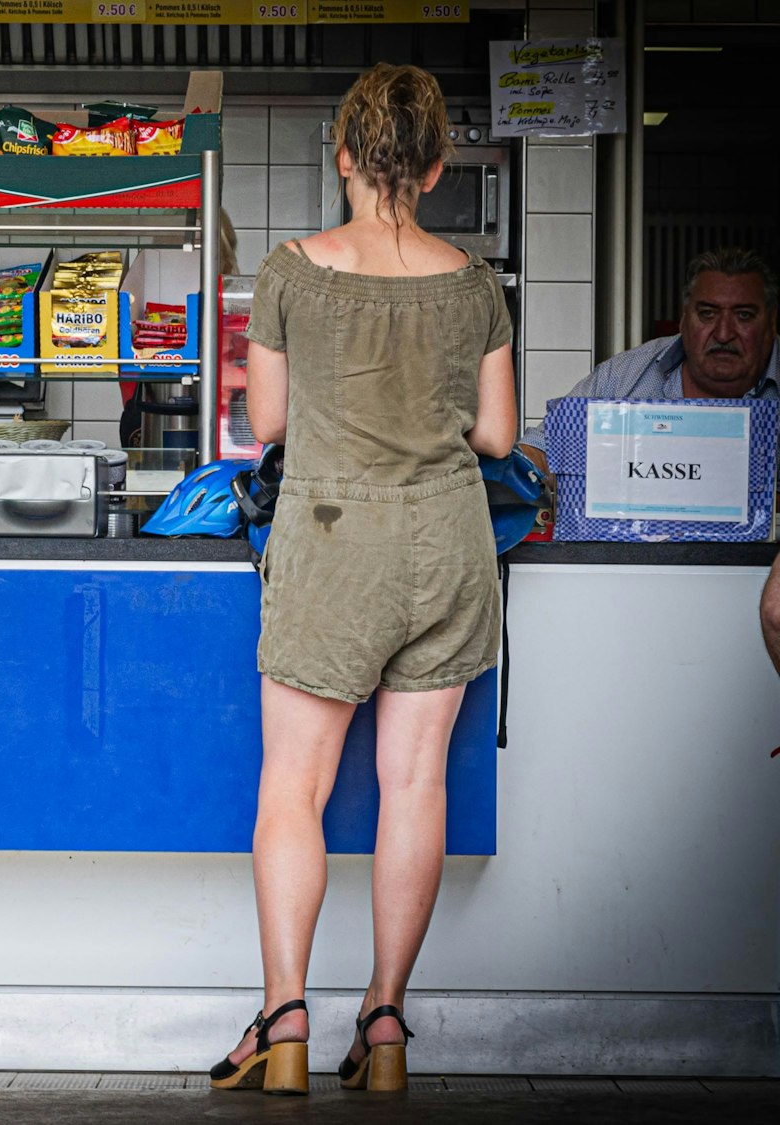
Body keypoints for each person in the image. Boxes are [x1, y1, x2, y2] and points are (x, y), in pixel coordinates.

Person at [212, 64, 518, 1095]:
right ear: (433, 167)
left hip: (331, 541)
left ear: (340, 155)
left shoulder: (292, 273)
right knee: (413, 785)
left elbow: (262, 426)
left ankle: (285, 1019)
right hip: (445, 545)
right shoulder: (474, 284)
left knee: (291, 786)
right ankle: (384, 1023)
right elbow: (497, 434)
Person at [520, 248, 777, 473]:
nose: (723, 333)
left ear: (771, 321)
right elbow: (538, 454)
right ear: (684, 318)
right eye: (707, 314)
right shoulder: (624, 377)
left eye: (743, 316)